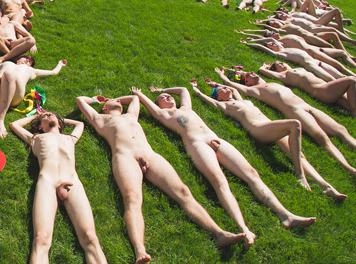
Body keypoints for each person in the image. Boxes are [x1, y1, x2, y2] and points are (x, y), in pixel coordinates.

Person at [76, 94, 247, 264]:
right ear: (104, 108)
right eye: (114, 101)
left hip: (150, 154)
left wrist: (117, 98)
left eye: (120, 101)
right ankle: (139, 249)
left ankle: (219, 234)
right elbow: (79, 100)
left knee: (183, 192)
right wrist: (95, 100)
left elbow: (135, 99)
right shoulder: (100, 119)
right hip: (125, 158)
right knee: (132, 199)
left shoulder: (131, 115)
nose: (119, 101)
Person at [134, 86, 316, 246]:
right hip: (197, 144)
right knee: (219, 181)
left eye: (169, 96)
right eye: (163, 99)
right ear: (159, 105)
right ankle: (243, 228)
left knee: (252, 174)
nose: (168, 97)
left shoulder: (185, 108)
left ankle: (285, 215)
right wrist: (142, 95)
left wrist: (161, 90)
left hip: (216, 139)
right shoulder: (164, 115)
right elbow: (152, 107)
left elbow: (183, 90)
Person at [10, 111, 126, 264]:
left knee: (90, 238)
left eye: (51, 114)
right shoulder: (36, 138)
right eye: (44, 116)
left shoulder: (70, 138)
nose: (48, 115)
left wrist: (60, 119)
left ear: (61, 124)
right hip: (47, 182)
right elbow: (14, 124)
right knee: (41, 239)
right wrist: (34, 117)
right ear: (39, 126)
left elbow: (80, 123)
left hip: (72, 181)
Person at [215, 69, 356, 177]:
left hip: (307, 106)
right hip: (296, 113)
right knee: (323, 139)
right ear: (247, 82)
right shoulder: (254, 91)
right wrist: (224, 78)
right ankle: (350, 169)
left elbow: (266, 72)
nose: (252, 73)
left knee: (342, 130)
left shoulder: (271, 81)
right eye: (248, 75)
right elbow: (236, 87)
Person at [190, 79, 347, 201]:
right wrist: (197, 89)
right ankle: (299, 174)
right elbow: (206, 99)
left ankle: (326, 186)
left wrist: (216, 83)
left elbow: (234, 88)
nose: (225, 89)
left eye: (224, 88)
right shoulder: (225, 106)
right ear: (219, 97)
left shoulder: (242, 100)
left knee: (299, 154)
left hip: (270, 126)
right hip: (259, 129)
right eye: (221, 90)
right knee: (294, 124)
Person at [257, 61, 356, 129]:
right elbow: (263, 71)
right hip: (322, 91)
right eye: (278, 65)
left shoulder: (293, 69)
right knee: (351, 80)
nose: (282, 64)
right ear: (276, 70)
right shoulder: (285, 76)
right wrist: (265, 67)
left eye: (280, 62)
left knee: (352, 103)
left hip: (326, 89)